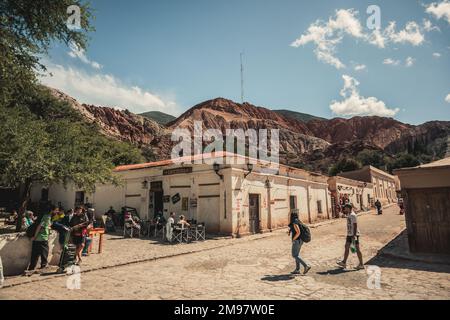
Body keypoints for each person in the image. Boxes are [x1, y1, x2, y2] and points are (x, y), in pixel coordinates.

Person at [25, 206, 58, 275]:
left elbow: (46, 226)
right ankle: (43, 268)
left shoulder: (46, 216)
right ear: (52, 210)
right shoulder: (47, 217)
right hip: (42, 238)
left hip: (39, 238)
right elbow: (39, 226)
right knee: (44, 254)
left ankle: (31, 268)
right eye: (56, 210)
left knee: (35, 254)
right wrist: (35, 236)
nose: (57, 212)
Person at [337, 203, 364, 270]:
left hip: (354, 235)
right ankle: (344, 262)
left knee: (357, 249)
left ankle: (361, 264)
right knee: (346, 247)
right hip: (349, 234)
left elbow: (355, 225)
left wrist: (354, 236)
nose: (345, 209)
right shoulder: (349, 214)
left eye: (346, 208)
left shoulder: (353, 215)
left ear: (349, 208)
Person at [288, 210, 311, 275]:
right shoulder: (298, 221)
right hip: (300, 240)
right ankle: (297, 269)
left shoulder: (295, 222)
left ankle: (306, 265)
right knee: (297, 255)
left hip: (297, 241)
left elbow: (298, 232)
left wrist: (293, 239)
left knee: (294, 255)